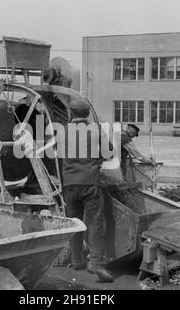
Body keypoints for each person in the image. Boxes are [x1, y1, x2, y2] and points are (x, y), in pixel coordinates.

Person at [62, 98, 113, 282]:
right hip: (90, 183)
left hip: (69, 184)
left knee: (75, 222)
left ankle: (77, 261)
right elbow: (110, 153)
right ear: (88, 114)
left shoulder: (62, 131)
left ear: (71, 113)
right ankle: (96, 262)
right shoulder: (96, 130)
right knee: (94, 222)